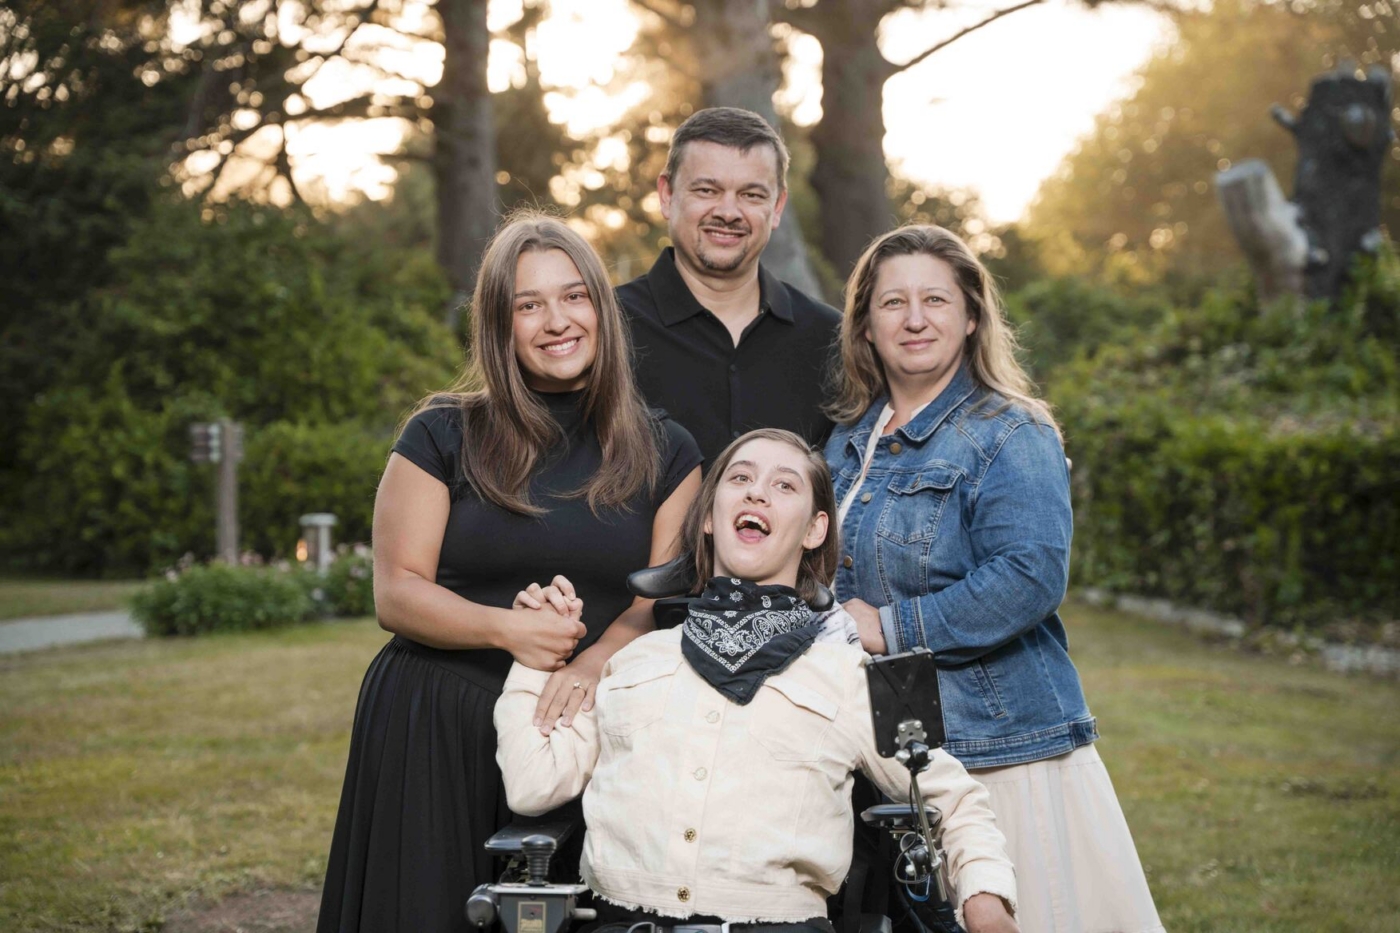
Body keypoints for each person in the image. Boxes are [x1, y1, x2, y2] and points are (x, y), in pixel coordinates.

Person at [316, 212, 703, 933]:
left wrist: (589, 665)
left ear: (602, 308)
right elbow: (397, 591)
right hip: (438, 723)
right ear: (500, 326)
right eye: (529, 305)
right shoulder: (440, 434)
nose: (557, 321)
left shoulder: (667, 450)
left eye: (574, 296)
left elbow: (659, 596)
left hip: (579, 725)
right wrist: (511, 632)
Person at [495, 429, 1020, 933]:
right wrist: (532, 653)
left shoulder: (853, 672)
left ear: (814, 530)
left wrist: (985, 899)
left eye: (784, 485)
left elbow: (954, 799)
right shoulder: (633, 662)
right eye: (741, 478)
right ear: (708, 517)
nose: (758, 493)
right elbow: (532, 785)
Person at [824, 225, 1162, 933]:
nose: (915, 319)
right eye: (893, 302)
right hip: (890, 748)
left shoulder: (1012, 432)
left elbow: (1030, 575)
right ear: (865, 325)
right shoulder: (849, 440)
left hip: (999, 748)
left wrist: (890, 626)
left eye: (935, 300)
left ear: (972, 316)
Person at [619, 107, 841, 465]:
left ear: (777, 207)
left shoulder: (831, 339)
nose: (728, 212)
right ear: (667, 195)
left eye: (751, 195)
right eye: (707, 190)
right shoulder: (606, 328)